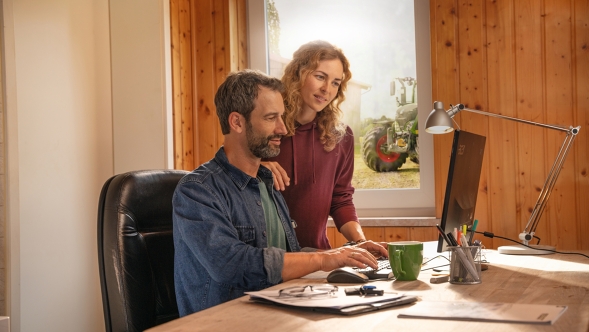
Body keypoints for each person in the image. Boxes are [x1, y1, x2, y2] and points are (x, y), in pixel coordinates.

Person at [172, 70, 388, 316]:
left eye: (282, 117)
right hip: (224, 323)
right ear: (237, 122)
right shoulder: (197, 191)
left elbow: (287, 257)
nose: (283, 129)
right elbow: (231, 264)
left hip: (275, 316)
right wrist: (322, 260)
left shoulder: (268, 184)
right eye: (271, 117)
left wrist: (345, 254)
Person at [262, 40, 366, 249]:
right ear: (297, 74)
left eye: (336, 83)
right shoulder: (266, 126)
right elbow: (231, 175)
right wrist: (256, 169)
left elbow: (341, 199)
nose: (327, 89)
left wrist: (361, 242)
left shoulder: (341, 136)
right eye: (320, 77)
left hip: (318, 259)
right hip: (268, 262)